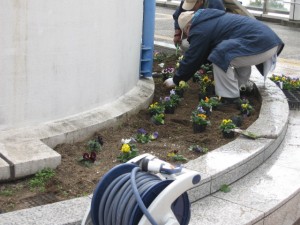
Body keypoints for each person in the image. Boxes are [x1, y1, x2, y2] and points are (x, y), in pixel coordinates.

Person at [164, 9, 284, 102]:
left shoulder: (200, 28)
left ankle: (229, 98)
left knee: (220, 55)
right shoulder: (210, 19)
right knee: (232, 53)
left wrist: (176, 80)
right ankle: (239, 86)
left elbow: (193, 57)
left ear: (188, 27)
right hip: (269, 43)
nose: (188, 37)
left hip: (260, 44)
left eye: (186, 33)